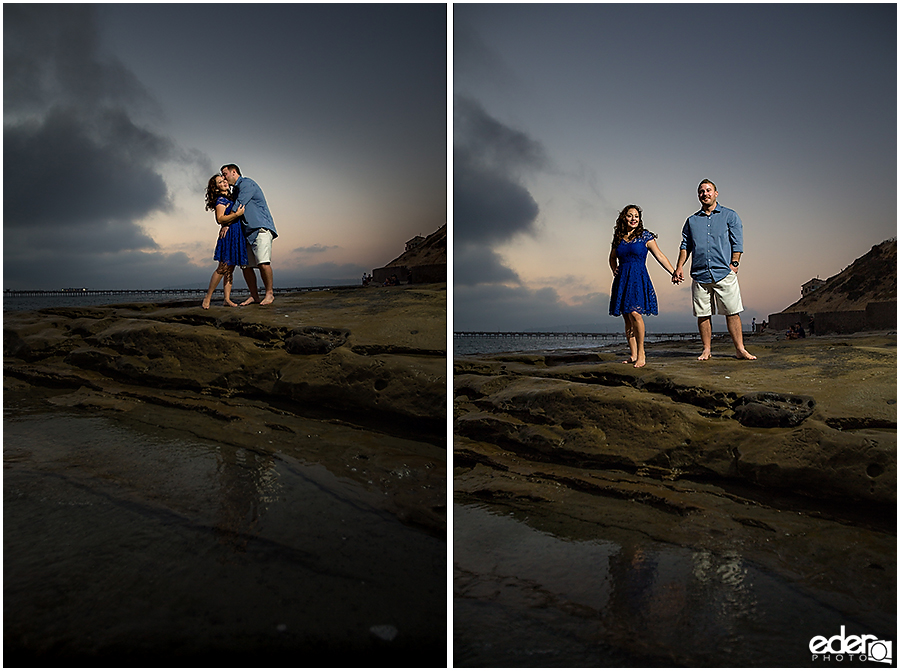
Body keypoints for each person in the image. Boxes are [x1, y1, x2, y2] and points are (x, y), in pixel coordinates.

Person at [673, 179, 756, 361]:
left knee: (732, 311)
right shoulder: (692, 221)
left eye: (708, 190)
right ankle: (706, 349)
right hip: (700, 274)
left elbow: (737, 243)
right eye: (701, 191)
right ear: (698, 196)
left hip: (724, 273)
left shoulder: (730, 216)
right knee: (703, 314)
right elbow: (685, 245)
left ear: (716, 193)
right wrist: (679, 266)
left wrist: (734, 264)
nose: (705, 194)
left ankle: (740, 349)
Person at [608, 204, 679, 368]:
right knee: (627, 317)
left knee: (635, 314)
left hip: (638, 278)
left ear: (639, 220)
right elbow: (612, 257)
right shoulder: (619, 237)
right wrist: (614, 269)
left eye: (636, 216)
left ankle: (642, 353)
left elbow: (660, 256)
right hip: (622, 279)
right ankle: (633, 354)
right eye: (630, 215)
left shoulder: (645, 236)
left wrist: (673, 272)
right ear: (623, 218)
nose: (633, 219)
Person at [220, 164, 278, 306]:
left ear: (234, 172)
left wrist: (225, 222)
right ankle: (254, 296)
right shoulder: (236, 190)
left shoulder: (247, 184)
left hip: (260, 227)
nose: (223, 177)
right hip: (246, 231)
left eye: (225, 174)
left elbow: (239, 205)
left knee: (263, 262)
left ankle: (269, 294)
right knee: (245, 266)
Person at [202, 174, 246, 309]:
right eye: (220, 182)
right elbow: (220, 219)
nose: (224, 182)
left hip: (236, 233)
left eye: (224, 180)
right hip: (228, 235)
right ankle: (207, 298)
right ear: (216, 188)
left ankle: (226, 299)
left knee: (230, 269)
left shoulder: (232, 196)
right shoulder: (220, 200)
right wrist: (236, 215)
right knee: (222, 268)